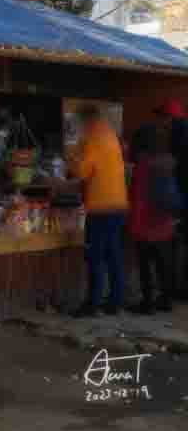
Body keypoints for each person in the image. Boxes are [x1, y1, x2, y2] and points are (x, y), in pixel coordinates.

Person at [70, 105, 128, 317]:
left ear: (86, 121)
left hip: (101, 206)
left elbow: (83, 171)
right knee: (113, 255)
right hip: (118, 204)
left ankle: (92, 303)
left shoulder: (93, 138)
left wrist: (75, 156)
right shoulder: (110, 135)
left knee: (95, 256)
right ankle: (116, 301)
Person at [127, 125, 174, 314]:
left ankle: (147, 303)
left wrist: (133, 225)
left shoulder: (143, 165)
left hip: (146, 223)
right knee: (163, 265)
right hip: (164, 222)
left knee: (145, 265)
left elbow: (138, 198)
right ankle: (165, 300)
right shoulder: (168, 161)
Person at [153, 99, 188, 299]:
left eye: (162, 117)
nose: (161, 122)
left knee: (175, 244)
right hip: (181, 195)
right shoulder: (181, 130)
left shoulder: (178, 134)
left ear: (170, 117)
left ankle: (175, 290)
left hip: (181, 196)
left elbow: (173, 165)